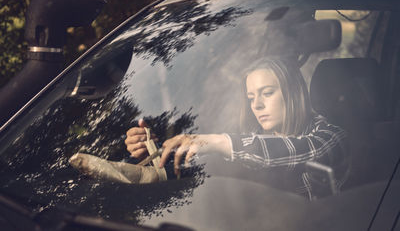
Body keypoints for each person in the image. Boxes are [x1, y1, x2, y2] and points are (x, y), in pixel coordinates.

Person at [125, 58, 349, 199]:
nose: (257, 105)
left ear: (293, 94)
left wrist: (216, 142)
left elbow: (296, 152)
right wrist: (157, 151)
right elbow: (206, 170)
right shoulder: (251, 142)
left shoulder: (330, 136)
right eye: (251, 97)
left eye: (267, 93)